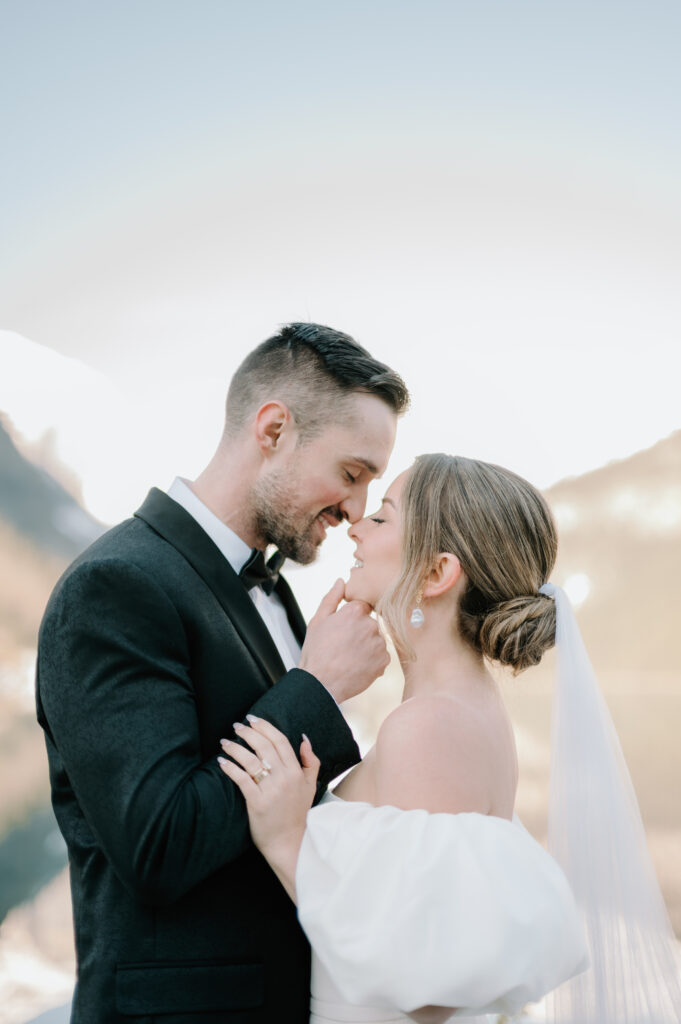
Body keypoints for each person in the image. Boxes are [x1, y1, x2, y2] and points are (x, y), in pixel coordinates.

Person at [219, 454, 681, 1024]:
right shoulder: (462, 708)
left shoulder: (430, 727)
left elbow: (431, 988)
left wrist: (286, 842)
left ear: (437, 573)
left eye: (383, 518)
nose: (357, 526)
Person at [36, 322, 409, 1023]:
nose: (355, 510)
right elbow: (160, 843)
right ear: (272, 430)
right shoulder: (117, 586)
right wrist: (317, 687)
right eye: (351, 474)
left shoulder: (277, 593)